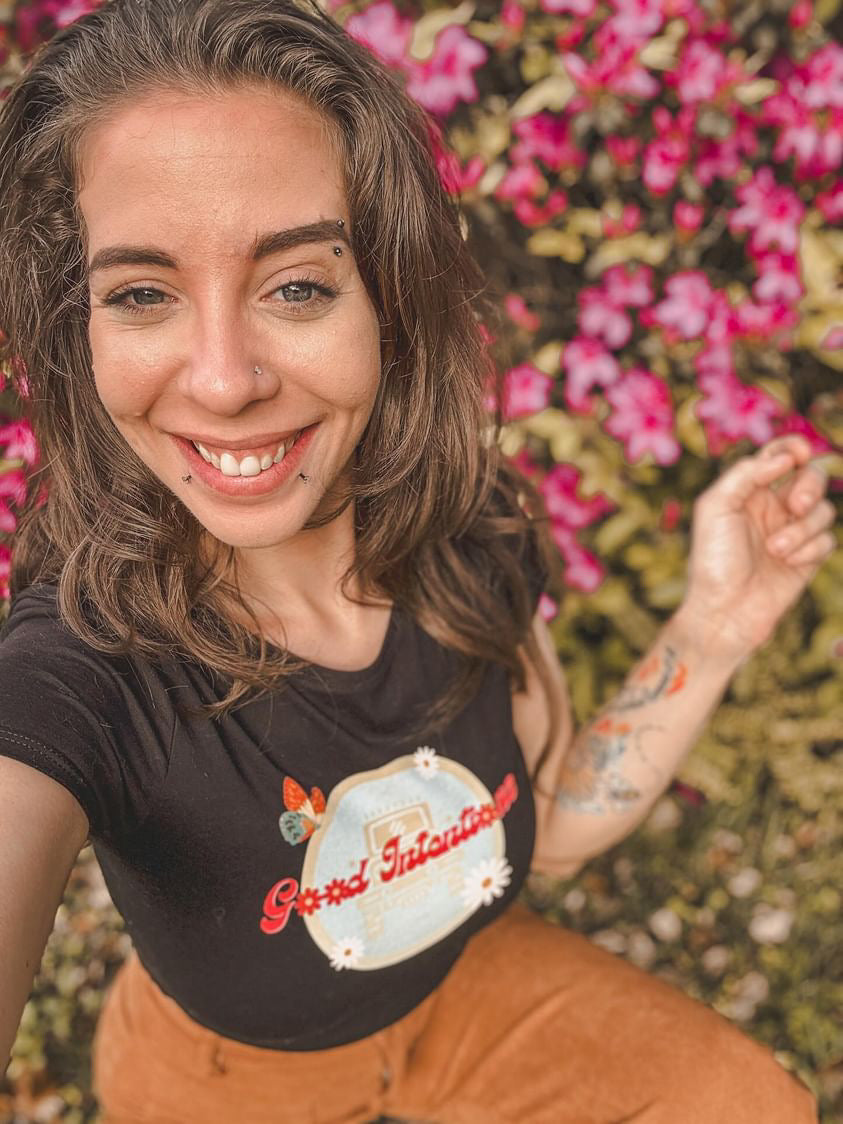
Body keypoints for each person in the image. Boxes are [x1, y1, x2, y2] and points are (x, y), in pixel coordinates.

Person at [0, 0, 833, 1120]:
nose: (224, 377)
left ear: (389, 298)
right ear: (79, 331)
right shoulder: (78, 667)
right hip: (223, 1077)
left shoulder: (475, 527)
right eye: (142, 294)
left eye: (296, 283)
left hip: (470, 992)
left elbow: (551, 823)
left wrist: (712, 627)